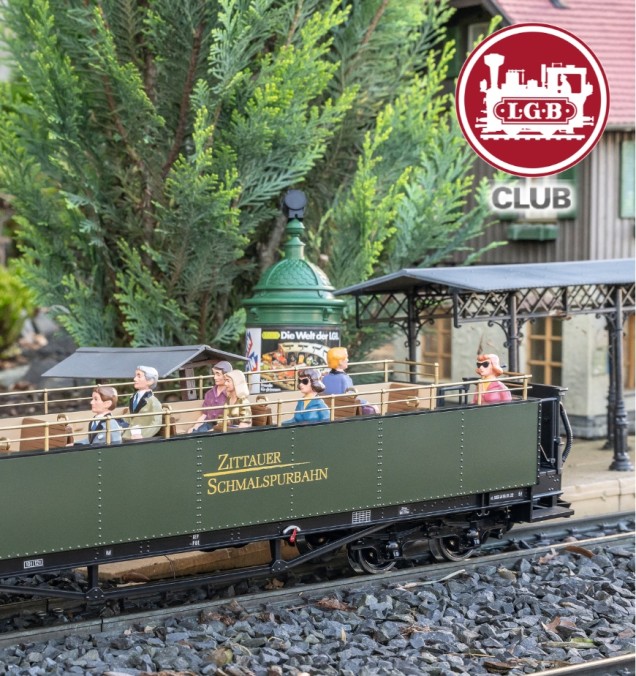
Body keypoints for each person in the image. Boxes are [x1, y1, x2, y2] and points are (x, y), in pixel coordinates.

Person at [188, 361, 232, 433]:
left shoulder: (231, 394)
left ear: (226, 376)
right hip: (208, 424)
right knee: (195, 433)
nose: (215, 377)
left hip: (223, 427)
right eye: (214, 374)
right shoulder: (209, 394)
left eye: (218, 375)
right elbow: (204, 414)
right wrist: (194, 427)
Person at [121, 365, 163, 439]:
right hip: (128, 434)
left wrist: (143, 436)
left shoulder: (153, 402)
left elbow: (156, 423)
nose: (135, 379)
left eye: (139, 376)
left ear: (150, 381)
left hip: (140, 435)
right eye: (135, 376)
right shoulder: (133, 397)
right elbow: (129, 416)